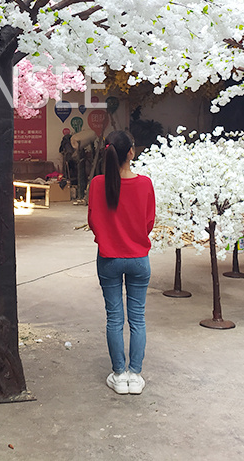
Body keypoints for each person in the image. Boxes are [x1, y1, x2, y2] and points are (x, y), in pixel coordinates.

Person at [87, 130, 156, 395]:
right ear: (131, 152)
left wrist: (108, 236)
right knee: (137, 318)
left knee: (114, 318)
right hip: (139, 258)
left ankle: (118, 374)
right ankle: (135, 375)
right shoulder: (145, 184)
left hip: (109, 258)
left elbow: (93, 221)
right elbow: (149, 222)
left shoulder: (96, 184)